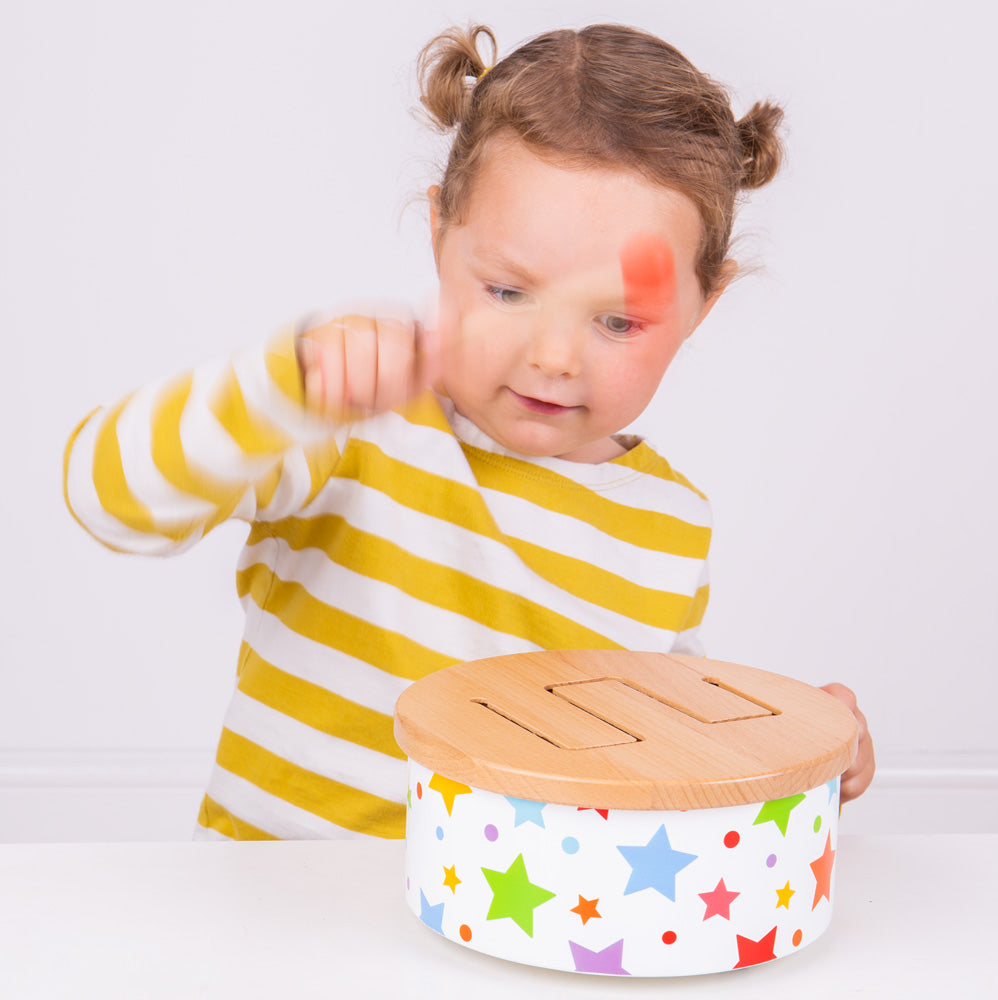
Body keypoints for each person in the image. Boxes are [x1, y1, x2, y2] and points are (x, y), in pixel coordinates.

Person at [64, 23, 874, 841]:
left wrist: (796, 743)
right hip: (269, 935)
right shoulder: (354, 425)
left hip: (503, 948)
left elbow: (661, 765)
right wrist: (281, 387)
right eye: (509, 293)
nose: (554, 357)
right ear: (440, 232)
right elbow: (107, 499)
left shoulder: (670, 527)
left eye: (619, 321)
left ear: (707, 303)